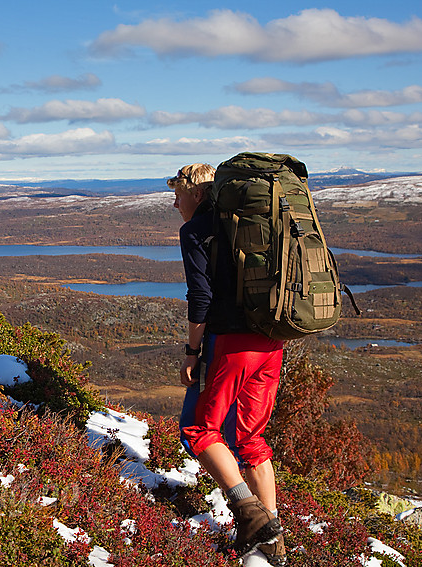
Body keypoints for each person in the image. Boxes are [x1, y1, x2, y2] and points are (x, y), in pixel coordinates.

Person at [169, 164, 287, 566]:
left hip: (230, 343)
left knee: (198, 429)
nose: (175, 203)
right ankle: (272, 542)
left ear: (198, 195)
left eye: (179, 195)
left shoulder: (196, 231)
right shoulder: (252, 225)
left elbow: (200, 297)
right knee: (249, 439)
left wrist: (191, 352)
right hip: (271, 341)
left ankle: (252, 518)